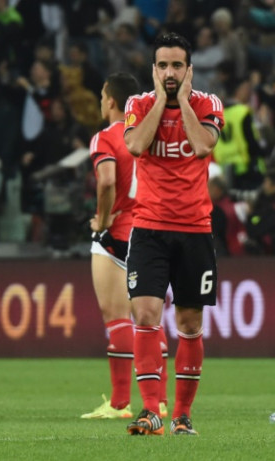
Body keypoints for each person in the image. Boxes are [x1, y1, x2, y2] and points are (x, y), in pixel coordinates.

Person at [123, 32, 224, 436]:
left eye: (176, 66)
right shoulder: (138, 105)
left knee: (189, 324)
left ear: (189, 69)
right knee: (145, 314)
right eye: (162, 65)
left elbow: (202, 146)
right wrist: (160, 102)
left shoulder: (206, 104)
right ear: (153, 69)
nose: (169, 72)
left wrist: (181, 100)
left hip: (194, 230)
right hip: (148, 228)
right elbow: (135, 146)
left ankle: (183, 415)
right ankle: (152, 411)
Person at [81, 72, 171, 420]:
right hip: (153, 232)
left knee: (117, 318)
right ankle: (160, 400)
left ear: (112, 101)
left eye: (103, 97)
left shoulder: (106, 137)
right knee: (150, 320)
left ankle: (119, 404)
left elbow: (105, 182)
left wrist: (102, 221)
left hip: (117, 235)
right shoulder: (152, 135)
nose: (101, 103)